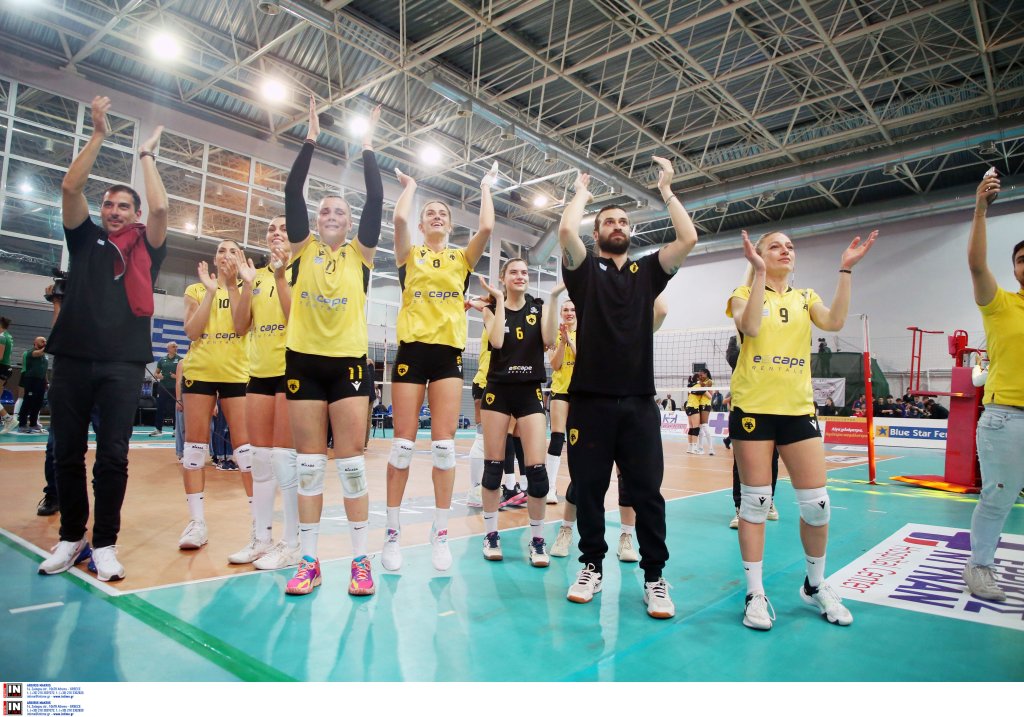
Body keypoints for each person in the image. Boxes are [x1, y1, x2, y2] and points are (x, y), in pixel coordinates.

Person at [557, 157, 696, 619]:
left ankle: (655, 577)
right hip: (589, 403)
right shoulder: (583, 274)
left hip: (638, 404)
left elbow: (688, 239)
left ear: (631, 231)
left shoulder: (647, 272)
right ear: (597, 233)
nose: (617, 226)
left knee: (647, 492)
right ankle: (591, 567)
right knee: (589, 489)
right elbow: (565, 232)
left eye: (623, 221)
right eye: (609, 222)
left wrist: (667, 190)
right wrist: (582, 194)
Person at [38, 96, 168, 582]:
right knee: (67, 452)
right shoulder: (84, 238)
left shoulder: (148, 247)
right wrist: (98, 134)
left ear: (135, 214)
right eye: (109, 204)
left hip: (122, 363)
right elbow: (70, 186)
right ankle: (72, 536)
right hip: (73, 358)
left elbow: (162, 206)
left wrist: (146, 156)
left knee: (113, 455)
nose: (114, 211)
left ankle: (106, 543)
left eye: (123, 206)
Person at [727, 225, 876, 630]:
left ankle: (814, 585)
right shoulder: (742, 294)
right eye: (775, 246)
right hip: (754, 407)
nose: (785, 250)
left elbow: (835, 320)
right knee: (755, 503)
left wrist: (845, 270)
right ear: (759, 255)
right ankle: (755, 593)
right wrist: (758, 274)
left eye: (790, 246)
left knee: (817, 505)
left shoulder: (806, 297)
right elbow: (751, 327)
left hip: (797, 409)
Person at [279, 98, 382, 597]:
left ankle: (361, 560)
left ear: (350, 220)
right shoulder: (302, 250)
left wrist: (367, 148)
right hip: (302, 362)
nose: (332, 215)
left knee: (352, 463)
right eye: (325, 210)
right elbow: (291, 191)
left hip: (348, 367)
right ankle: (309, 560)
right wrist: (311, 139)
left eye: (340, 210)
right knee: (308, 465)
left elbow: (376, 200)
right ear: (317, 221)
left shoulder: (362, 254)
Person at [381, 161, 495, 573]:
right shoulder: (409, 255)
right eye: (430, 212)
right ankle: (392, 533)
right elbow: (398, 219)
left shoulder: (461, 259)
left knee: (445, 449)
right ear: (422, 222)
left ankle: (440, 532)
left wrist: (485, 186)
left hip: (447, 356)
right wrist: (411, 186)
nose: (436, 216)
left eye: (442, 213)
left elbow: (486, 227)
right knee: (402, 446)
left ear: (449, 225)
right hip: (412, 353)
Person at [963, 169, 1023, 602]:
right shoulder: (1000, 304)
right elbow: (977, 265)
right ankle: (979, 567)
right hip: (1007, 419)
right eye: (1021, 258)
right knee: (998, 498)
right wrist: (980, 210)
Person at [475, 262, 559, 566]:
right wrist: (498, 300)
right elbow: (497, 341)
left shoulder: (539, 307)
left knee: (537, 472)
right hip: (497, 391)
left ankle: (537, 540)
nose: (520, 276)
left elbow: (549, 340)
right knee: (493, 468)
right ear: (503, 278)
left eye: (524, 272)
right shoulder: (490, 309)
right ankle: (490, 535)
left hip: (529, 391)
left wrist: (554, 298)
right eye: (513, 272)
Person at [228, 220, 299, 570]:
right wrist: (245, 284)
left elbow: (296, 317)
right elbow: (240, 326)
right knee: (260, 459)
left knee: (285, 460)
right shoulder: (255, 277)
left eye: (283, 228)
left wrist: (282, 274)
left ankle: (292, 543)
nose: (276, 233)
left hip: (291, 371)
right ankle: (261, 538)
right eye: (271, 229)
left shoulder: (301, 270)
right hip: (259, 372)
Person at [177, 240, 255, 558]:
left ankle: (259, 525)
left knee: (246, 452)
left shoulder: (248, 287)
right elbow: (192, 332)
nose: (226, 255)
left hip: (237, 373)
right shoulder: (196, 290)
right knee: (194, 449)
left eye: (233, 250)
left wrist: (234, 285)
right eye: (221, 250)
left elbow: (240, 327)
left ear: (241, 258)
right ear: (213, 258)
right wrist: (210, 292)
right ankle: (197, 523)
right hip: (200, 372)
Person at [546, 298, 577, 504]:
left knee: (577, 439)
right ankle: (550, 487)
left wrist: (570, 341)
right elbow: (555, 365)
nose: (569, 313)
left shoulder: (584, 332)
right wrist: (563, 342)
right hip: (560, 391)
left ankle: (577, 485)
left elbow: (586, 360)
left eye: (572, 309)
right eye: (565, 309)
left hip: (580, 392)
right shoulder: (554, 335)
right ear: (561, 313)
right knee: (557, 437)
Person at [150, 342, 182, 436]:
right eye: (173, 347)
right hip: (163, 388)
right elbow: (156, 373)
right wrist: (158, 376)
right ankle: (158, 429)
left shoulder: (180, 360)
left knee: (175, 409)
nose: (175, 348)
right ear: (168, 349)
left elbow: (184, 374)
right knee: (160, 408)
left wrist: (176, 376)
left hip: (175, 388)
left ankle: (176, 430)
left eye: (176, 346)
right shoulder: (162, 360)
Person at [17, 337, 48, 434]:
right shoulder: (30, 352)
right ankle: (22, 424)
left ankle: (33, 423)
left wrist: (46, 381)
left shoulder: (44, 355)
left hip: (41, 381)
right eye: (42, 341)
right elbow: (38, 353)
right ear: (35, 342)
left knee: (38, 402)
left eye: (45, 341)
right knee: (28, 401)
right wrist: (48, 346)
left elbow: (44, 369)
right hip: (31, 380)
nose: (44, 343)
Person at [0, 316, 16, 434]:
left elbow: (0, 357)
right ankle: (7, 419)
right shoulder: (8, 336)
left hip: (2, 368)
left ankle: (9, 419)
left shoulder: (1, 337)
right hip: (6, 368)